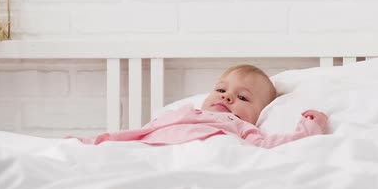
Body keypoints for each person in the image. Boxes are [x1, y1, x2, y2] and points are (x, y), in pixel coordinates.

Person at [80, 64, 328, 149]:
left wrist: (307, 128)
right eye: (221, 90)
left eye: (242, 98)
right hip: (155, 149)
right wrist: (99, 142)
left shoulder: (239, 126)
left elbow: (269, 146)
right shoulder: (180, 113)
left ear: (258, 114)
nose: (227, 97)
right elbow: (138, 134)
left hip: (208, 153)